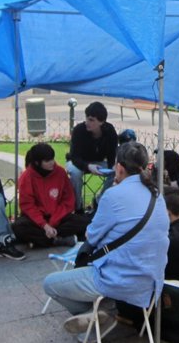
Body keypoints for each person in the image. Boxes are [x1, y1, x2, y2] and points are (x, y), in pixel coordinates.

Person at [44, 142, 169, 341]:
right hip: (152, 280)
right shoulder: (157, 196)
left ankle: (101, 317)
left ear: (119, 167)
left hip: (118, 279)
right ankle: (103, 313)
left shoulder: (114, 195)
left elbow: (91, 236)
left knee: (49, 284)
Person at [12, 143, 89, 247]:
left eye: (52, 159)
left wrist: (53, 222)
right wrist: (44, 225)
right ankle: (58, 239)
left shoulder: (60, 172)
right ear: (37, 163)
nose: (52, 163)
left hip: (58, 217)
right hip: (36, 220)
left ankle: (42, 241)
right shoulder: (27, 177)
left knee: (85, 222)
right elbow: (27, 206)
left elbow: (68, 201)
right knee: (18, 227)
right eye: (47, 161)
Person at [65, 101, 118, 212]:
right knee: (75, 173)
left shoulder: (110, 131)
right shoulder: (79, 130)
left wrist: (112, 166)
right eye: (87, 118)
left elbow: (111, 156)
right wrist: (88, 166)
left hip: (98, 162)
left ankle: (99, 201)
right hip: (77, 162)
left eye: (91, 120)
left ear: (101, 122)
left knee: (116, 172)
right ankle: (77, 207)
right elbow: (74, 157)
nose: (87, 122)